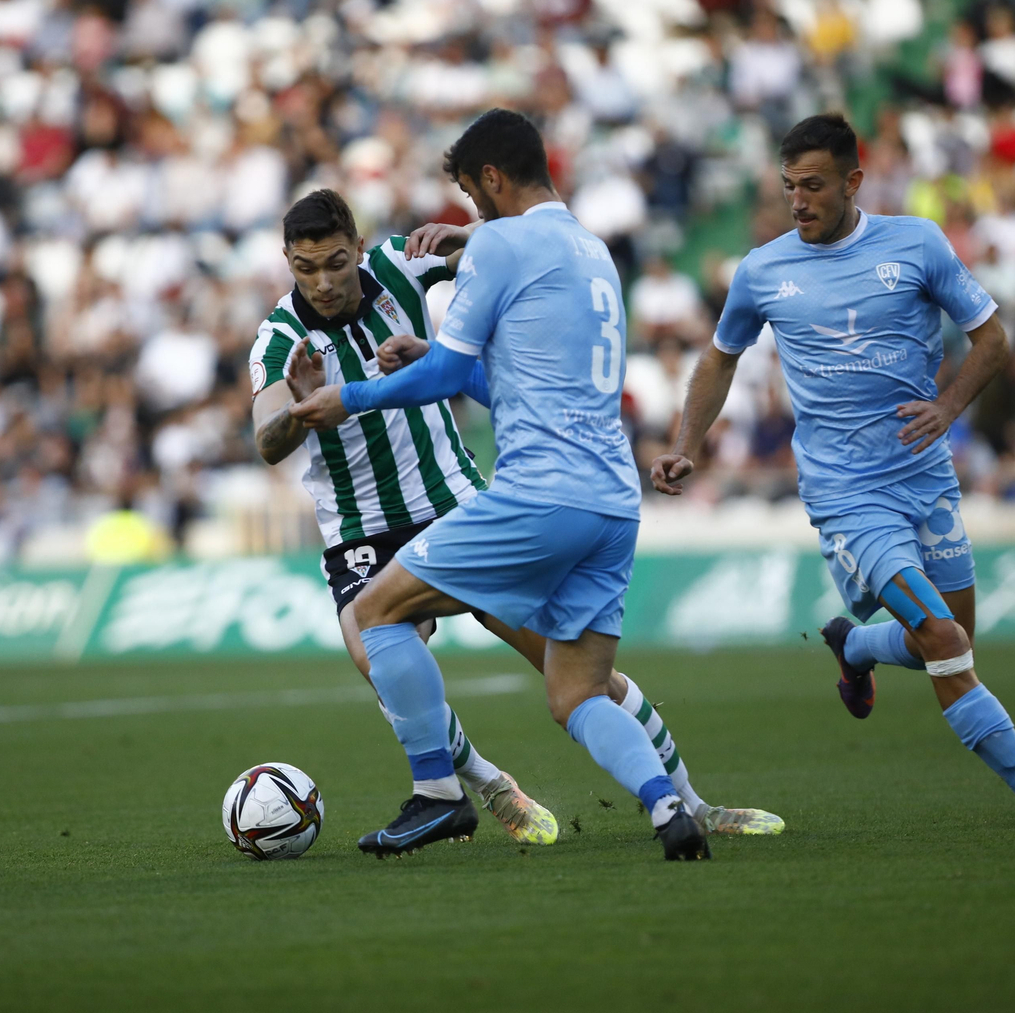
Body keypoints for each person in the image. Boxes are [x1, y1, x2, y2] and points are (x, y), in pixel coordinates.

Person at [253, 188, 780, 849]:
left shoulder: (398, 265)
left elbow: (521, 245)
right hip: (360, 533)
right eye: (306, 269)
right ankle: (482, 784)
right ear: (287, 262)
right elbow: (265, 440)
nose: (324, 282)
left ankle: (692, 804)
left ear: (358, 248)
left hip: (456, 505)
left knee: (574, 670)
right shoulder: (278, 337)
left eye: (335, 262)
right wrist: (296, 412)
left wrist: (466, 232)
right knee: (378, 651)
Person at [650, 114, 1015, 827]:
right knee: (945, 641)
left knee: (947, 641)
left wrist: (949, 406)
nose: (799, 201)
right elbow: (720, 357)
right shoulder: (763, 269)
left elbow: (992, 338)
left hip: (925, 476)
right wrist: (687, 442)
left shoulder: (916, 243)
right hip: (845, 491)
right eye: (790, 186)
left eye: (815, 185)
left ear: (854, 181)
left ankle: (854, 645)